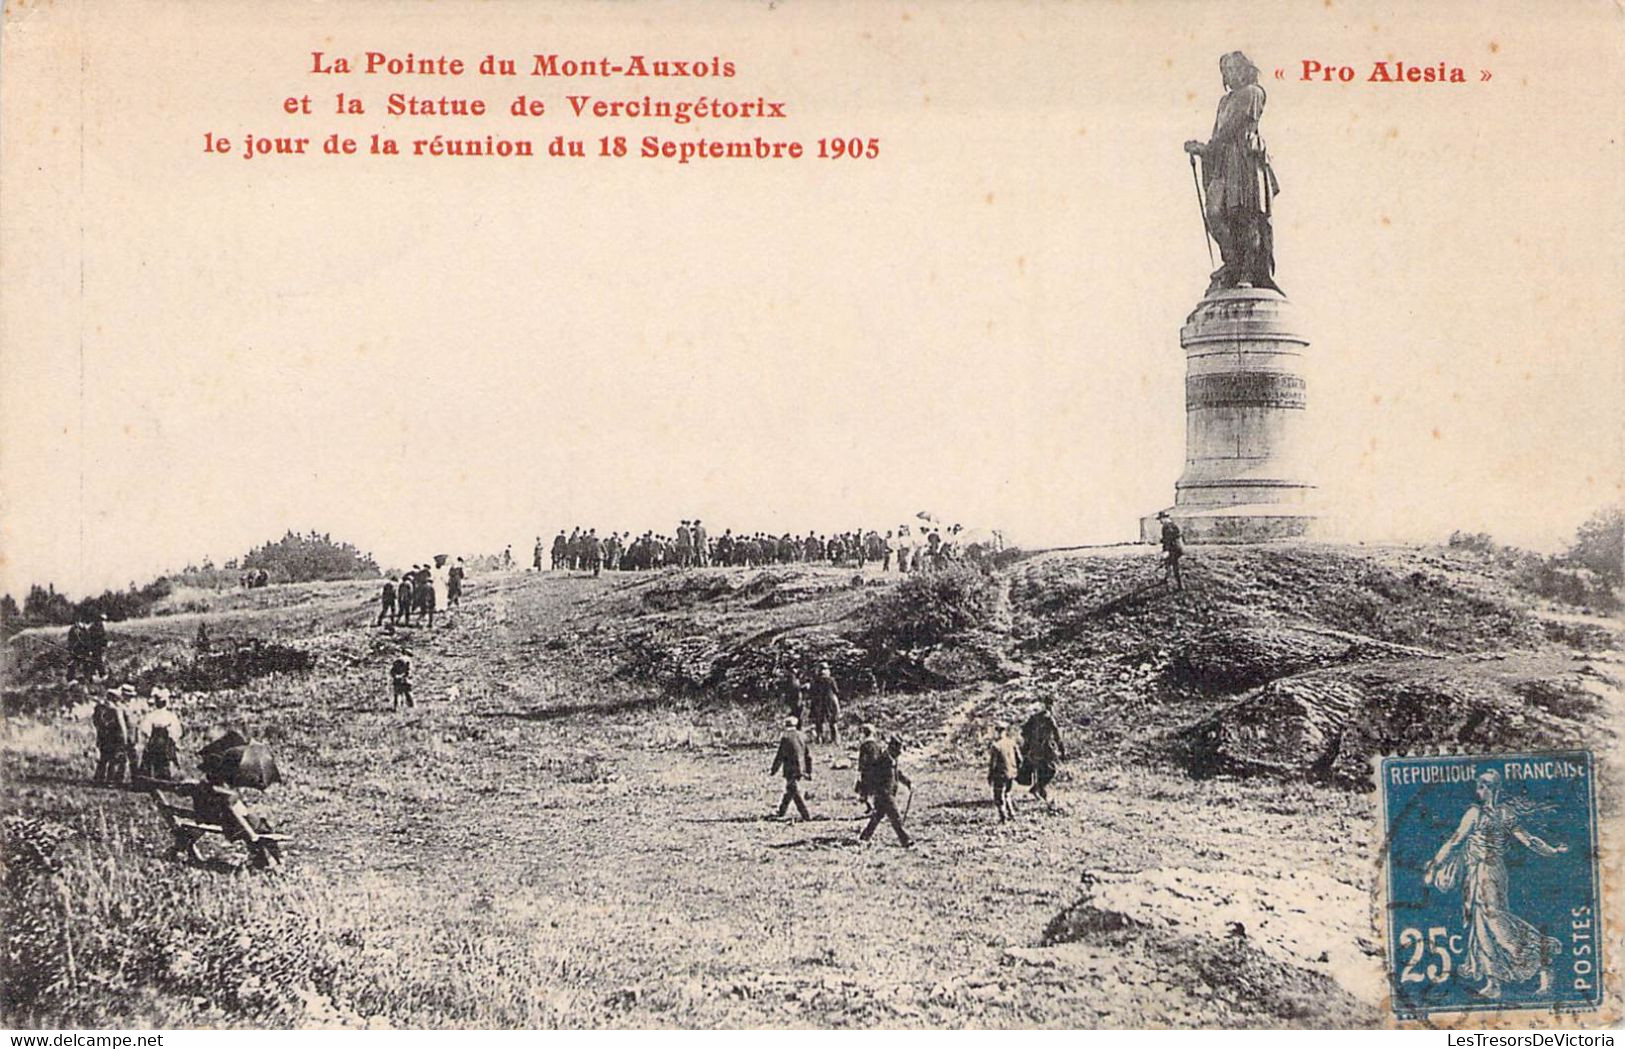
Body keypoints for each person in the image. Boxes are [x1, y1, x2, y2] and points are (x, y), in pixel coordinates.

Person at [1424, 769, 1568, 999]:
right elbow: (1454, 842)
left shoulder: (1503, 813)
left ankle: (1541, 953)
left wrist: (1552, 851)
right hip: (1475, 871)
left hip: (1492, 871)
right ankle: (1493, 983)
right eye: (1478, 786)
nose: (1479, 790)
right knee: (1480, 922)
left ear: (1493, 789)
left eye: (1483, 786)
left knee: (1495, 917)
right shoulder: (1474, 813)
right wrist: (1435, 864)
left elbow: (1528, 839)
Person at [1183, 51, 1280, 294]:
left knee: (1246, 215)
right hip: (1223, 162)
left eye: (1233, 67)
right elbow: (1219, 134)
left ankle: (1247, 270)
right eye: (1225, 70)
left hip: (1244, 159)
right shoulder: (1224, 102)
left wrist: (1205, 147)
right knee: (1215, 214)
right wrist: (1204, 150)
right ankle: (1232, 261)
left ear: (1245, 68)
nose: (1229, 73)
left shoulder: (1254, 93)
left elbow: (1233, 128)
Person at [189, 762, 282, 869]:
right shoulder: (227, 794)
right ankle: (267, 860)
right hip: (234, 825)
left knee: (256, 823)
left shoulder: (202, 787)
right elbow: (236, 815)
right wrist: (252, 834)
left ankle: (265, 859)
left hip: (211, 818)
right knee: (262, 829)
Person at [858, 733, 912, 847]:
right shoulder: (883, 759)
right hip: (884, 794)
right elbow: (874, 776)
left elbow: (897, 773)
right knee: (895, 817)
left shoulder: (891, 758)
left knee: (878, 816)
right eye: (898, 749)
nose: (900, 752)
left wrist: (907, 782)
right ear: (892, 747)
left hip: (887, 793)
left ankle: (864, 836)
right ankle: (905, 840)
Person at [1020, 698, 1066, 802]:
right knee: (1051, 770)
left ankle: (1040, 791)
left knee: (1041, 770)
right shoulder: (1049, 718)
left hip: (1034, 750)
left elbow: (1023, 731)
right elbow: (1057, 736)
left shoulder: (1035, 717)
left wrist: (1029, 744)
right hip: (1045, 750)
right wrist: (1062, 750)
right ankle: (1036, 789)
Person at [769, 717, 814, 821]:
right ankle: (781, 811)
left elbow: (780, 755)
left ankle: (806, 815)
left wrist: (774, 769)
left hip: (790, 769)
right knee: (790, 790)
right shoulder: (802, 736)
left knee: (794, 791)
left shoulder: (785, 738)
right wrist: (809, 771)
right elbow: (808, 755)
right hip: (801, 768)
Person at [137, 687, 184, 782]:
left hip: (155, 740)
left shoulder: (151, 715)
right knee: (164, 760)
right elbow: (177, 731)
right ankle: (163, 777)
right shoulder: (171, 716)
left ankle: (148, 777)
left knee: (151, 759)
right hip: (164, 740)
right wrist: (173, 741)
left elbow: (145, 730)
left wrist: (147, 740)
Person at [92, 686, 133, 785]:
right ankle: (112, 780)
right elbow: (121, 724)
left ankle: (99, 778)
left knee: (104, 758)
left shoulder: (99, 707)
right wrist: (125, 739)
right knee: (115, 759)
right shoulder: (116, 709)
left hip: (103, 736)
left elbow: (96, 722)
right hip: (115, 736)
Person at [987, 722, 1022, 822]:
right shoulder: (1012, 743)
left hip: (1000, 775)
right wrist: (1015, 769)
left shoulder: (996, 746)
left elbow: (992, 764)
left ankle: (1003, 817)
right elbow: (1019, 759)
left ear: (997, 731)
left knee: (999, 796)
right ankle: (1012, 814)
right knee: (1007, 794)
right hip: (1011, 773)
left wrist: (990, 776)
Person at [808, 662, 842, 744]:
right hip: (829, 702)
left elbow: (811, 692)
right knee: (833, 722)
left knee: (819, 722)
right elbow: (836, 691)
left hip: (818, 702)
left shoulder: (815, 681)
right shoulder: (830, 680)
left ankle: (819, 739)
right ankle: (835, 740)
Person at [1158, 511, 1185, 591]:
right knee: (1169, 563)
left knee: (1174, 565)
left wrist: (1166, 551)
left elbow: (1168, 540)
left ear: (1165, 518)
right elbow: (1176, 536)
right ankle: (1167, 578)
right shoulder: (1174, 525)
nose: (1160, 521)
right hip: (1179, 548)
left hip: (1173, 549)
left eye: (1161, 519)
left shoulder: (1166, 527)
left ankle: (1179, 585)